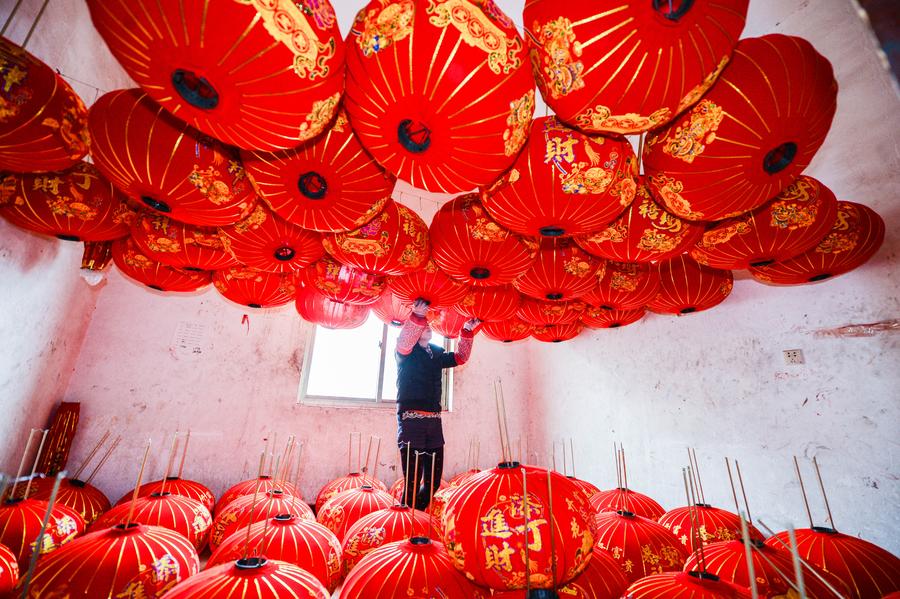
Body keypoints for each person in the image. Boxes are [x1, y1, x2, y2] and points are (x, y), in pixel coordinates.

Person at [395, 298, 479, 510]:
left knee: (432, 481)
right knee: (412, 482)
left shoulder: (436, 353)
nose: (427, 327)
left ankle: (418, 513)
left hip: (434, 422)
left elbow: (460, 357)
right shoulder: (405, 352)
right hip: (411, 421)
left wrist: (467, 331)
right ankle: (407, 521)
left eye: (428, 325)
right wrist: (417, 315)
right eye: (423, 326)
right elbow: (405, 341)